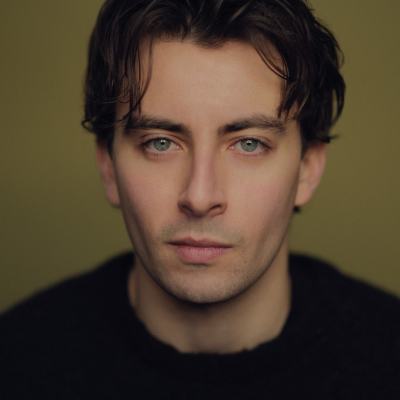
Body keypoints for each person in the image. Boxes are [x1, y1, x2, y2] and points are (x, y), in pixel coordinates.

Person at [1, 0, 399, 398]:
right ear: (108, 166)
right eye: (160, 143)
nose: (200, 196)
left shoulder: (388, 359)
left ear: (307, 169)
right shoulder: (17, 363)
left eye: (248, 144)